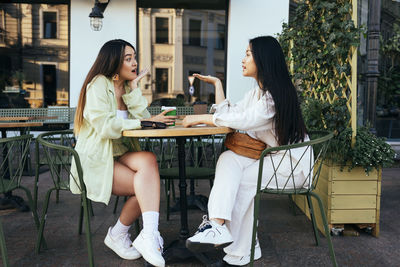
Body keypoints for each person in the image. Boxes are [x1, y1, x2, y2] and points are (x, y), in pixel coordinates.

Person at [182, 36, 309, 266]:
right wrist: (217, 86)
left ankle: (241, 253)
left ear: (264, 59)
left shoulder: (274, 96)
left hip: (290, 164)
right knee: (229, 158)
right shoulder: (256, 94)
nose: (243, 59)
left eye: (248, 54)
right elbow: (231, 113)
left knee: (242, 183)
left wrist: (199, 117)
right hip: (270, 158)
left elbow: (244, 119)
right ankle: (217, 226)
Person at [71, 39, 176, 267]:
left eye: (134, 57)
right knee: (147, 185)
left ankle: (145, 234)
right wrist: (144, 122)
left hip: (118, 153)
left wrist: (136, 90)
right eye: (128, 58)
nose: (134, 63)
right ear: (114, 62)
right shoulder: (98, 84)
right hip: (96, 159)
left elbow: (143, 117)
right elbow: (106, 126)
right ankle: (122, 234)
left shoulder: (127, 87)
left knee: (149, 161)